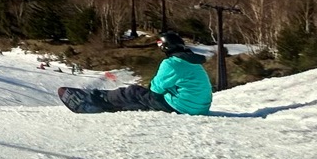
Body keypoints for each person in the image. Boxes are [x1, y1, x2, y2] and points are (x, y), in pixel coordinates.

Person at [60, 32, 213, 115]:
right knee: (144, 98)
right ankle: (114, 105)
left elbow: (156, 89)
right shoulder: (193, 62)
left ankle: (96, 99)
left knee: (134, 91)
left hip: (183, 107)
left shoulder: (172, 63)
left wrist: (150, 88)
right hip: (199, 107)